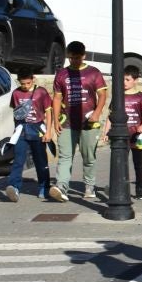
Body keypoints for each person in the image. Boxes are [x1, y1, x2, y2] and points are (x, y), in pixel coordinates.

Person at [51, 40, 106, 200]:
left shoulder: (93, 73)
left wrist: (96, 113)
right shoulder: (62, 74)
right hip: (67, 122)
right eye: (71, 58)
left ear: (84, 56)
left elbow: (102, 95)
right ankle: (61, 186)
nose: (74, 61)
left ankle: (89, 186)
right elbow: (56, 98)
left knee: (88, 156)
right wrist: (55, 120)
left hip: (88, 123)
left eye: (77, 58)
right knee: (65, 156)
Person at [1, 68, 63, 203]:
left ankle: (44, 187)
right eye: (22, 83)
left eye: (28, 83)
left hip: (37, 130)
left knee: (41, 161)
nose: (25, 86)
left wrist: (48, 132)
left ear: (33, 79)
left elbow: (48, 112)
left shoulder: (41, 92)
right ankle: (14, 187)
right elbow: (16, 113)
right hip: (22, 131)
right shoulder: (16, 93)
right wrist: (15, 131)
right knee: (18, 160)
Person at [111, 66, 142, 198]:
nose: (124, 82)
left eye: (127, 79)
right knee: (121, 162)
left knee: (138, 162)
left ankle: (139, 188)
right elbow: (110, 115)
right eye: (122, 79)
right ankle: (121, 187)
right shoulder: (118, 96)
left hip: (138, 134)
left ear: (135, 80)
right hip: (122, 134)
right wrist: (106, 131)